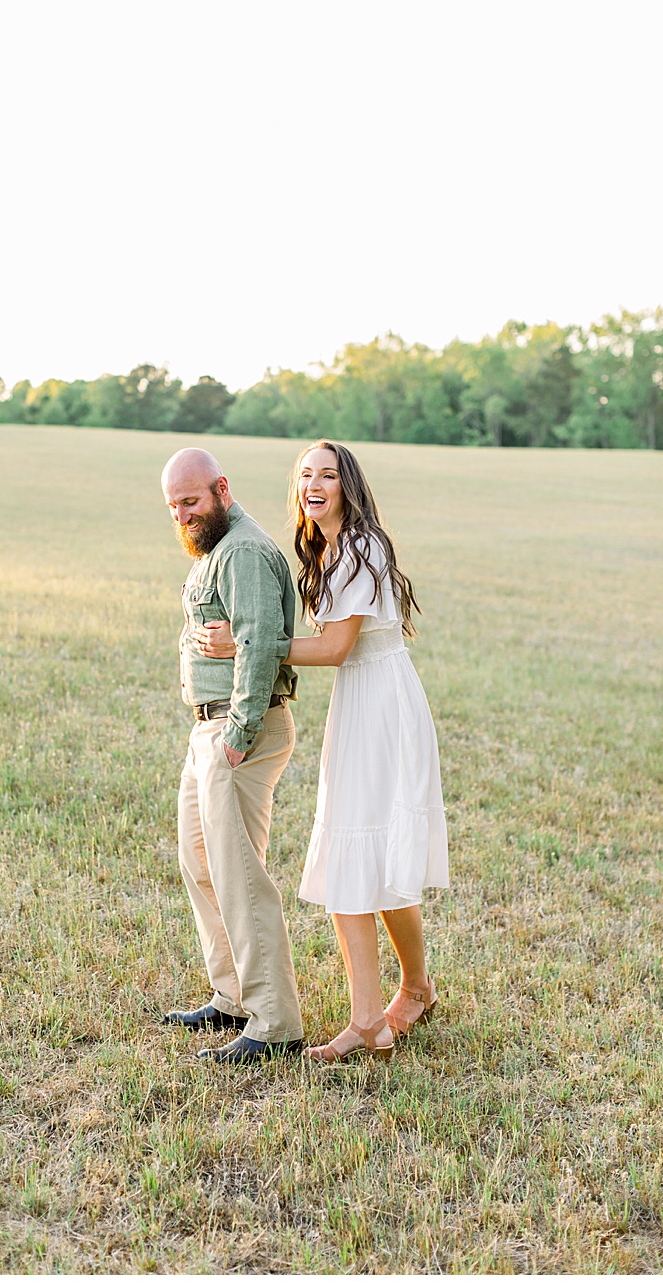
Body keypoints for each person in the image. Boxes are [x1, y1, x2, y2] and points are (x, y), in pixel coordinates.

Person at [200, 440, 447, 1064]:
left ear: (348, 484)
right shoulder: (330, 548)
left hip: (381, 703)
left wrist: (252, 645)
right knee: (367, 851)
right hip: (364, 700)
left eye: (328, 474)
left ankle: (371, 1020)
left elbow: (335, 648)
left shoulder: (362, 545)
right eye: (305, 474)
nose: (315, 483)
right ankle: (411, 992)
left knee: (351, 853)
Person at [159, 448, 306, 1063]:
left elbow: (261, 645)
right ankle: (232, 997)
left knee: (240, 875)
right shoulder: (218, 550)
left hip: (237, 732)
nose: (184, 516)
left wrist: (238, 736)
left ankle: (274, 1021)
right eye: (174, 508)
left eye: (191, 502)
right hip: (209, 732)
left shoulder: (242, 550)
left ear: (221, 489)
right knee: (202, 862)